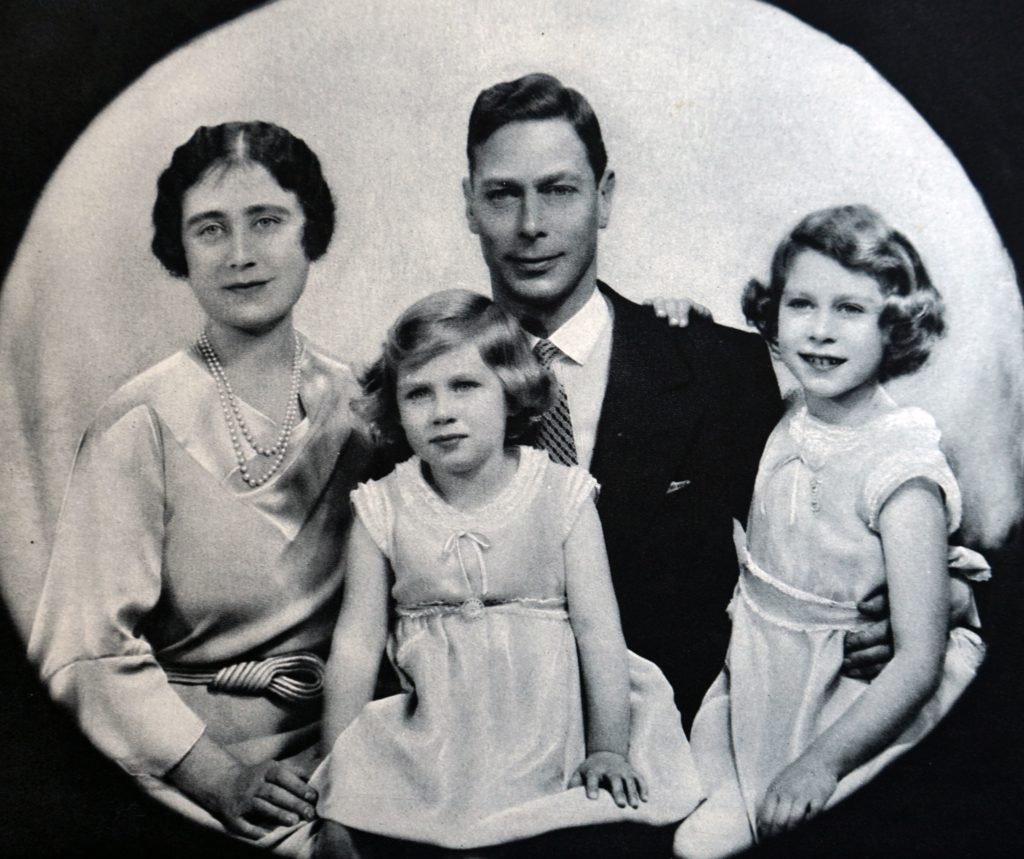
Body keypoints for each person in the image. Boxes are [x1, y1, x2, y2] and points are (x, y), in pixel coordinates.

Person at [27, 121, 374, 848]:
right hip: (190, 783)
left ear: (312, 231)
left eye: (267, 222)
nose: (242, 255)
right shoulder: (138, 421)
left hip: (351, 763)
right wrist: (215, 777)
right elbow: (82, 651)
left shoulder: (361, 405)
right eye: (210, 230)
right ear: (178, 250)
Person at [313, 289, 703, 857]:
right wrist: (337, 785)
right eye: (418, 393)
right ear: (395, 408)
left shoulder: (560, 492)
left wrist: (609, 748)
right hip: (439, 734)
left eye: (465, 386)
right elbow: (355, 646)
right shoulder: (383, 506)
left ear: (511, 389)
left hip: (553, 723)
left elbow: (599, 631)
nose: (442, 411)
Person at [460, 72, 786, 727]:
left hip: (687, 756)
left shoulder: (719, 367)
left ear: (603, 198)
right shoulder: (423, 385)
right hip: (487, 754)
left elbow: (810, 546)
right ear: (469, 204)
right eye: (503, 195)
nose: (531, 225)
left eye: (559, 190)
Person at [672, 205, 989, 858]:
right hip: (763, 676)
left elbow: (918, 659)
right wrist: (672, 319)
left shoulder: (901, 471)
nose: (819, 331)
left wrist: (822, 762)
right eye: (801, 304)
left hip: (857, 703)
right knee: (700, 840)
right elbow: (715, 360)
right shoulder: (790, 412)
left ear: (895, 326)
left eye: (849, 310)